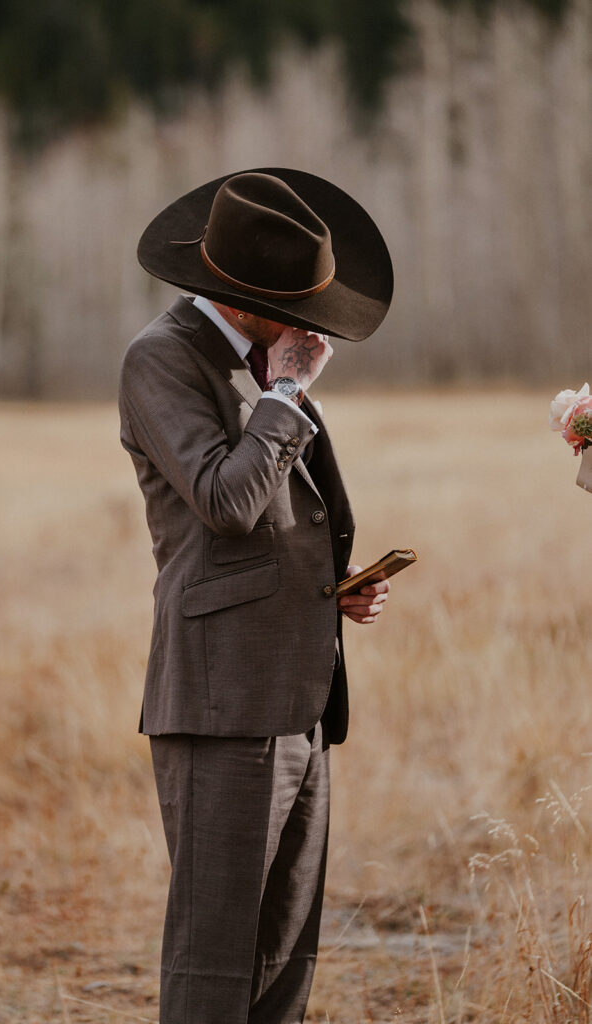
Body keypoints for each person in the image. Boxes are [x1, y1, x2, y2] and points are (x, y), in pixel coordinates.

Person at [118, 168, 394, 1024]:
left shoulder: (258, 360)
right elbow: (225, 503)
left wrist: (331, 595)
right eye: (301, 306)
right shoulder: (162, 359)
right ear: (243, 299)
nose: (316, 328)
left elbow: (277, 524)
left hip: (299, 703)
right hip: (221, 703)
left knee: (282, 961)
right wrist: (283, 394)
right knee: (213, 969)